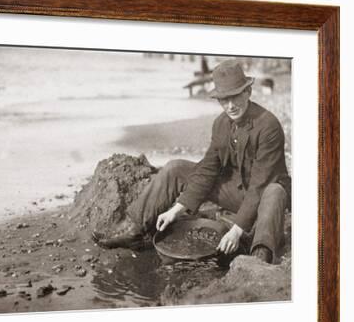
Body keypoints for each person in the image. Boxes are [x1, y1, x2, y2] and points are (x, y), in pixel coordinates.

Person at [93, 60, 291, 264]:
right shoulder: (221, 124)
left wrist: (235, 231)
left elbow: (259, 186)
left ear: (248, 92)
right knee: (175, 167)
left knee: (275, 191)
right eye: (224, 99)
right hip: (236, 193)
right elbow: (207, 169)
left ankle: (260, 256)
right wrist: (176, 209)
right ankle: (135, 229)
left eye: (235, 97)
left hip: (266, 199)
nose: (230, 106)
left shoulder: (268, 126)